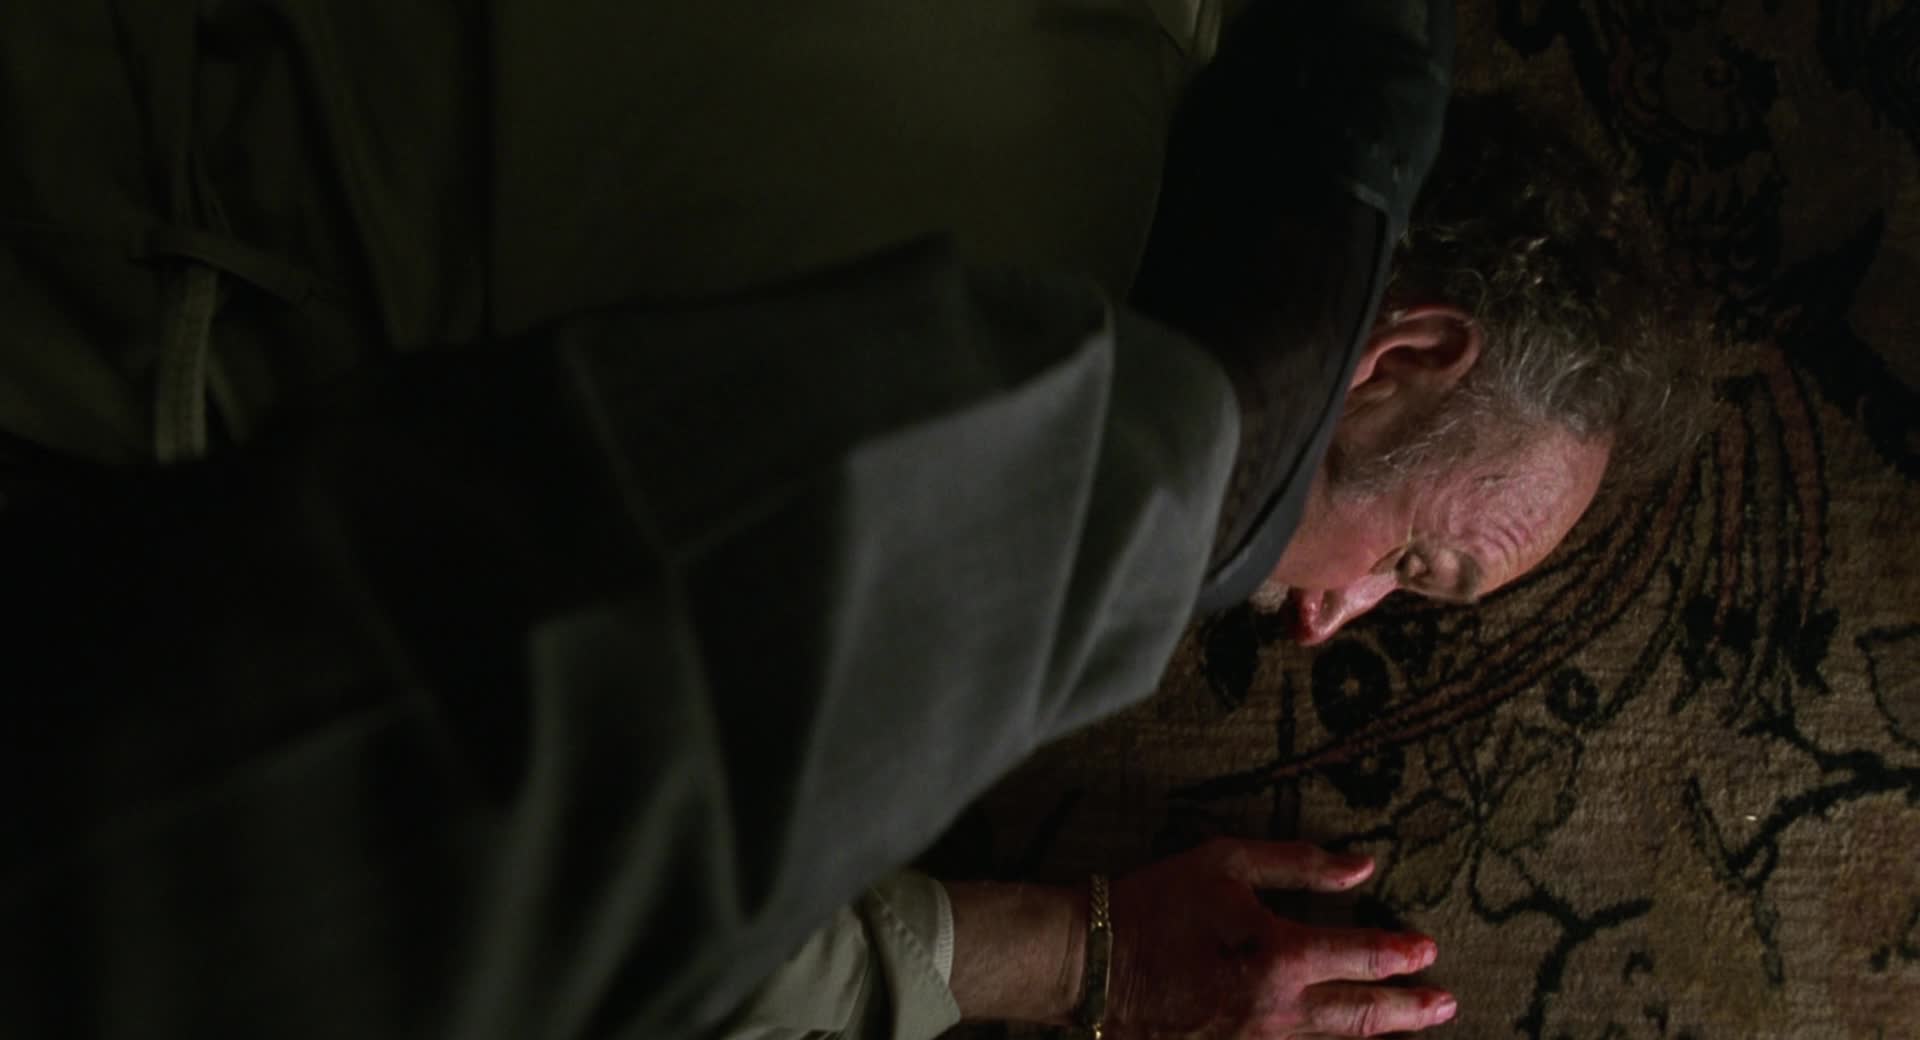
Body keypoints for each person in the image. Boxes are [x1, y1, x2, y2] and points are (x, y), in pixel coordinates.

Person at [0, 2, 1705, 1039]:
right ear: (1398, 355)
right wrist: (1085, 956)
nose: (1336, 618)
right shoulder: (1021, 449)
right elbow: (594, 895)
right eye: (1415, 561)